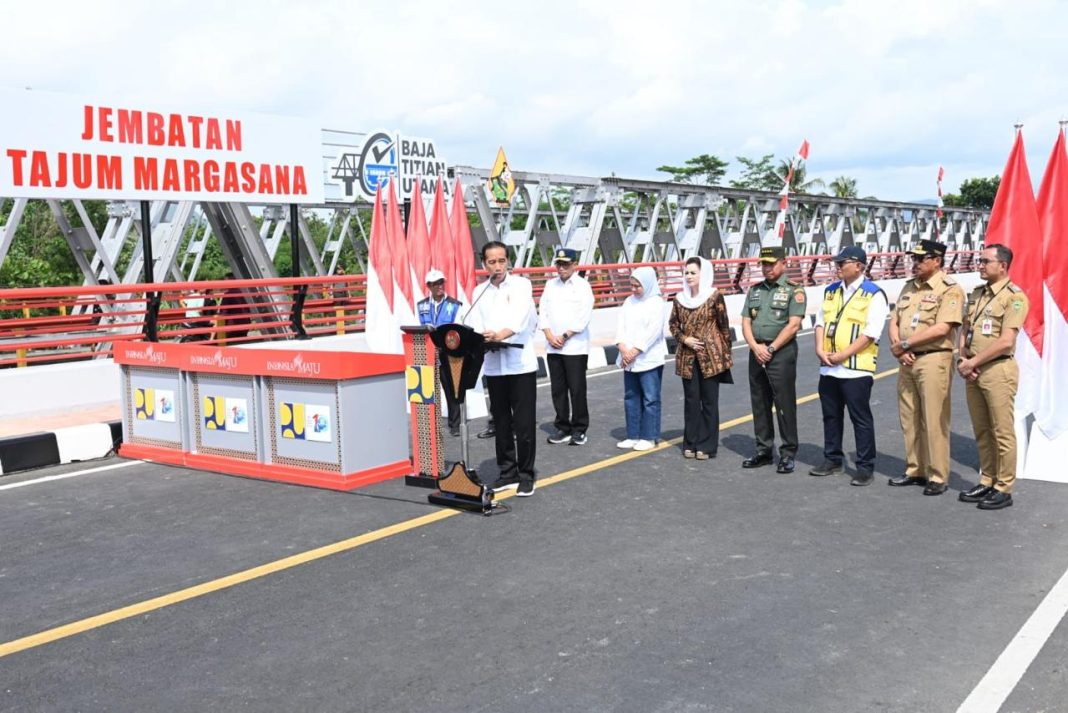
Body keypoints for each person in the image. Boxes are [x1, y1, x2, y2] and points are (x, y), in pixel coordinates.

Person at [887, 239, 965, 495]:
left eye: (921, 259)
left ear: (937, 261)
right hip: (907, 359)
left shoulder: (950, 289)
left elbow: (943, 327)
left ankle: (938, 475)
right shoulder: (909, 287)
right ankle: (915, 469)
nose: (915, 263)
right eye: (914, 259)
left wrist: (905, 344)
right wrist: (899, 346)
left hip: (933, 358)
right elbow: (894, 320)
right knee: (909, 417)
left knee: (934, 417)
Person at [956, 244, 1029, 510]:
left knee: (1002, 431)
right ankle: (987, 479)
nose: (980, 265)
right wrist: (964, 358)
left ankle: (1003, 487)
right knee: (982, 429)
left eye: (986, 261)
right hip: (973, 370)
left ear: (1003, 265)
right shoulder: (977, 294)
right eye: (980, 260)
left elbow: (1006, 341)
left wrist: (972, 362)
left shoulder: (1014, 297)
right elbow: (966, 329)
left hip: (998, 370)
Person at [809, 246, 889, 486]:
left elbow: (871, 333)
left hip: (856, 368)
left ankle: (865, 466)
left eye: (843, 262)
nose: (838, 266)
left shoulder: (873, 294)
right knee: (830, 416)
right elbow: (821, 323)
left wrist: (843, 354)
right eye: (838, 262)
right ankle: (832, 459)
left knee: (860, 418)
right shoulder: (831, 291)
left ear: (859, 265)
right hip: (829, 367)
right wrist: (819, 349)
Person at [466, 241, 539, 496]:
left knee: (524, 423)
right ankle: (507, 471)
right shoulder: (479, 292)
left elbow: (519, 318)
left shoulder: (521, 285)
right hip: (495, 366)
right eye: (491, 262)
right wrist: (481, 337)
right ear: (483, 263)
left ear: (508, 261)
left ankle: (526, 474)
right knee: (502, 423)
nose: (497, 266)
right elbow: (474, 323)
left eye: (501, 261)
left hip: (520, 364)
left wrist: (500, 334)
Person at [740, 246, 807, 473]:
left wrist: (770, 348)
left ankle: (788, 453)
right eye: (764, 264)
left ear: (783, 263)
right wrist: (755, 347)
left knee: (784, 403)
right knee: (759, 403)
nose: (767, 268)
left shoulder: (794, 290)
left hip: (781, 353)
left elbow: (794, 324)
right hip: (757, 351)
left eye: (771, 263)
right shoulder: (755, 290)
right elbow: (746, 321)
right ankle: (763, 450)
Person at [669, 256, 733, 460]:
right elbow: (673, 325)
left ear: (702, 274)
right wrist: (685, 339)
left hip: (711, 357)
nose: (688, 276)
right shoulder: (679, 299)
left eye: (693, 272)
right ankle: (690, 442)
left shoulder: (714, 296)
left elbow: (724, 325)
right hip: (687, 357)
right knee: (691, 401)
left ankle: (706, 445)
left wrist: (726, 354)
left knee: (709, 401)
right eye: (686, 272)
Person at [540, 248, 594, 446]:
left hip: (574, 346)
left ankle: (579, 428)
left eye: (565, 264)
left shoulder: (582, 286)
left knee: (577, 388)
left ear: (574, 265)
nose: (561, 268)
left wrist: (564, 336)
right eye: (559, 264)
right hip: (553, 345)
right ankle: (563, 426)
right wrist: (548, 334)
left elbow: (583, 317)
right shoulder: (550, 285)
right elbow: (543, 311)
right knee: (558, 389)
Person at [615, 266, 668, 452]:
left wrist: (633, 351)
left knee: (650, 398)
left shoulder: (656, 303)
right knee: (631, 397)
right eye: (632, 285)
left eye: (638, 286)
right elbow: (620, 327)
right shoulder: (629, 301)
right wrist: (622, 347)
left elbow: (652, 332)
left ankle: (649, 436)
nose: (634, 289)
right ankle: (633, 434)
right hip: (629, 359)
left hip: (648, 359)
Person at [417, 268, 465, 436]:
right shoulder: (421, 305)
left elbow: (459, 328)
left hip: (448, 353)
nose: (439, 286)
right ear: (428, 286)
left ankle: (455, 425)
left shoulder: (454, 304)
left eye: (441, 282)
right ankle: (430, 424)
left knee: (451, 391)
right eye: (435, 284)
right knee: (427, 391)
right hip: (428, 353)